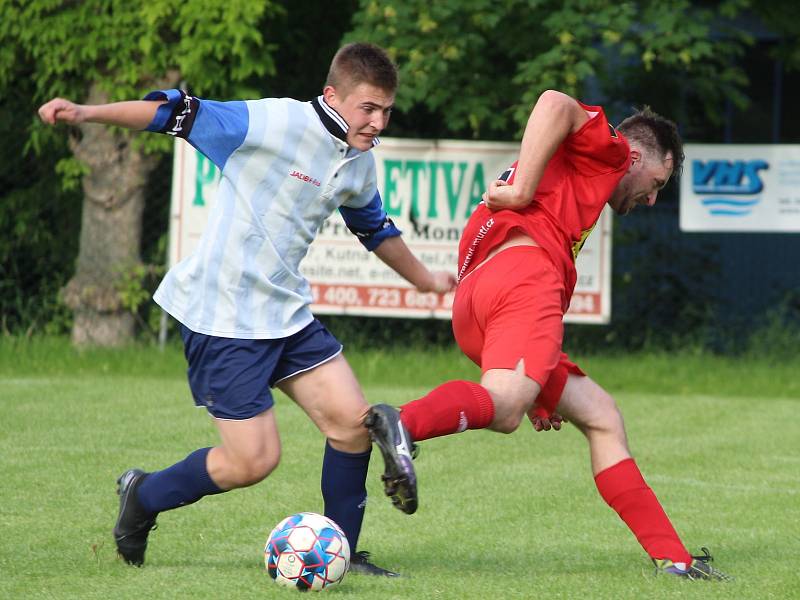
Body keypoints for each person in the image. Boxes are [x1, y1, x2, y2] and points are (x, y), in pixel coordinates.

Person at [38, 42, 455, 575]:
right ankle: (143, 495)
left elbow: (374, 228)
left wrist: (425, 282)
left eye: (386, 111)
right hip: (223, 316)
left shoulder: (359, 163)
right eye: (368, 108)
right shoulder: (270, 123)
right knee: (253, 462)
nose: (378, 121)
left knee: (352, 427)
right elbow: (173, 113)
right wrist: (85, 112)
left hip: (285, 313)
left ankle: (343, 556)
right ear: (333, 96)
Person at [365, 89, 731, 581]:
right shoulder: (613, 150)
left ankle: (676, 560)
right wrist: (519, 194)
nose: (652, 197)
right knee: (507, 407)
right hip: (523, 276)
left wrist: (539, 385)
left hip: (479, 299)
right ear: (637, 156)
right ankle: (403, 423)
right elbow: (555, 102)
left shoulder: (576, 175)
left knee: (600, 415)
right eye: (657, 183)